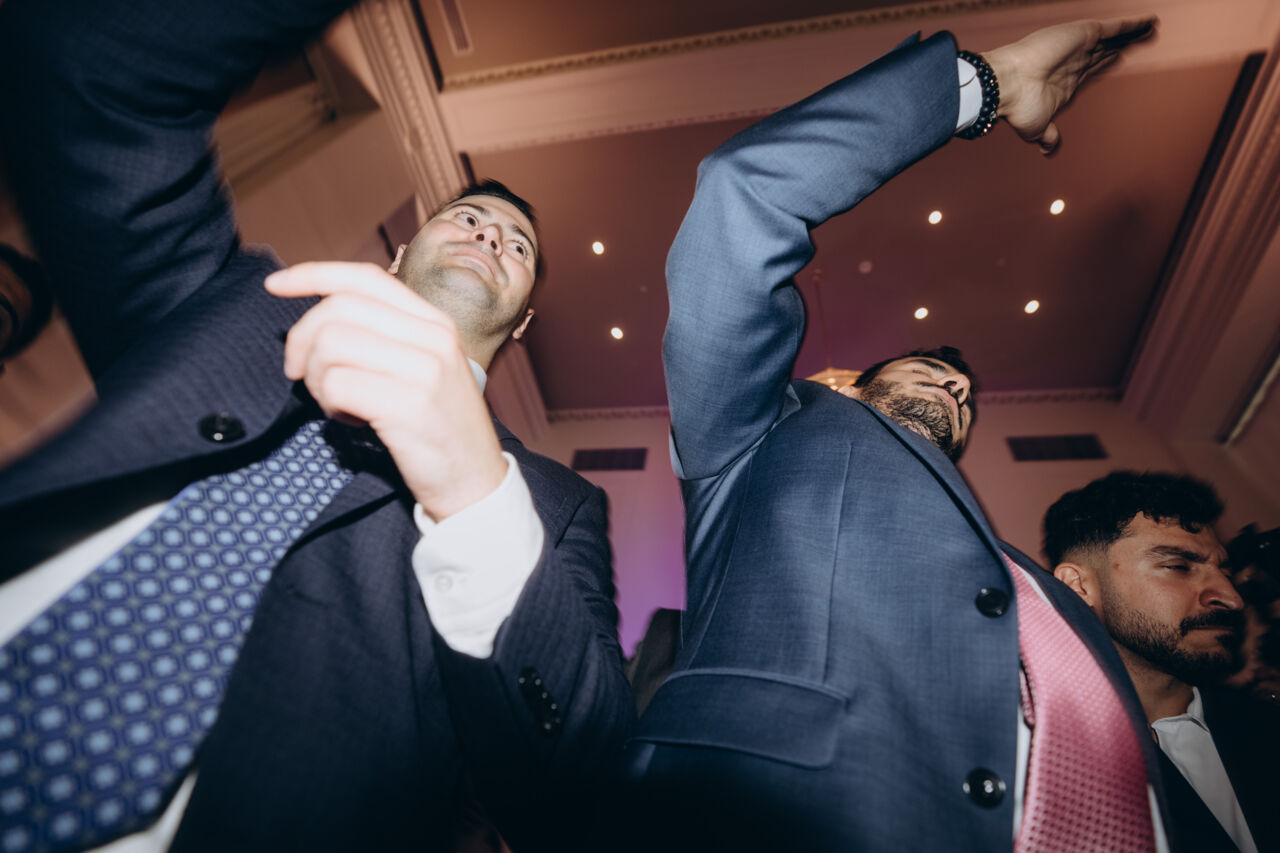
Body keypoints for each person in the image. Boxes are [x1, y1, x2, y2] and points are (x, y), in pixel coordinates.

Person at [0, 0, 632, 850]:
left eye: (517, 244)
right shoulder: (227, 305)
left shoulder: (556, 504)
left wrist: (473, 489)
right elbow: (89, 72)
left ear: (520, 323)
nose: (490, 233)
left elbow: (585, 779)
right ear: (400, 253)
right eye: (468, 216)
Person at [624, 16, 1175, 852]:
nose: (956, 388)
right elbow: (744, 196)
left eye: (967, 394)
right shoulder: (756, 436)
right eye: (928, 371)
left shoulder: (1029, 586)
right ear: (846, 383)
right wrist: (986, 84)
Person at [1046, 471, 1280, 853]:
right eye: (1178, 566)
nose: (1231, 597)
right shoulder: (1045, 769)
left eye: (1224, 571)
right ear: (1079, 586)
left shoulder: (1265, 726)